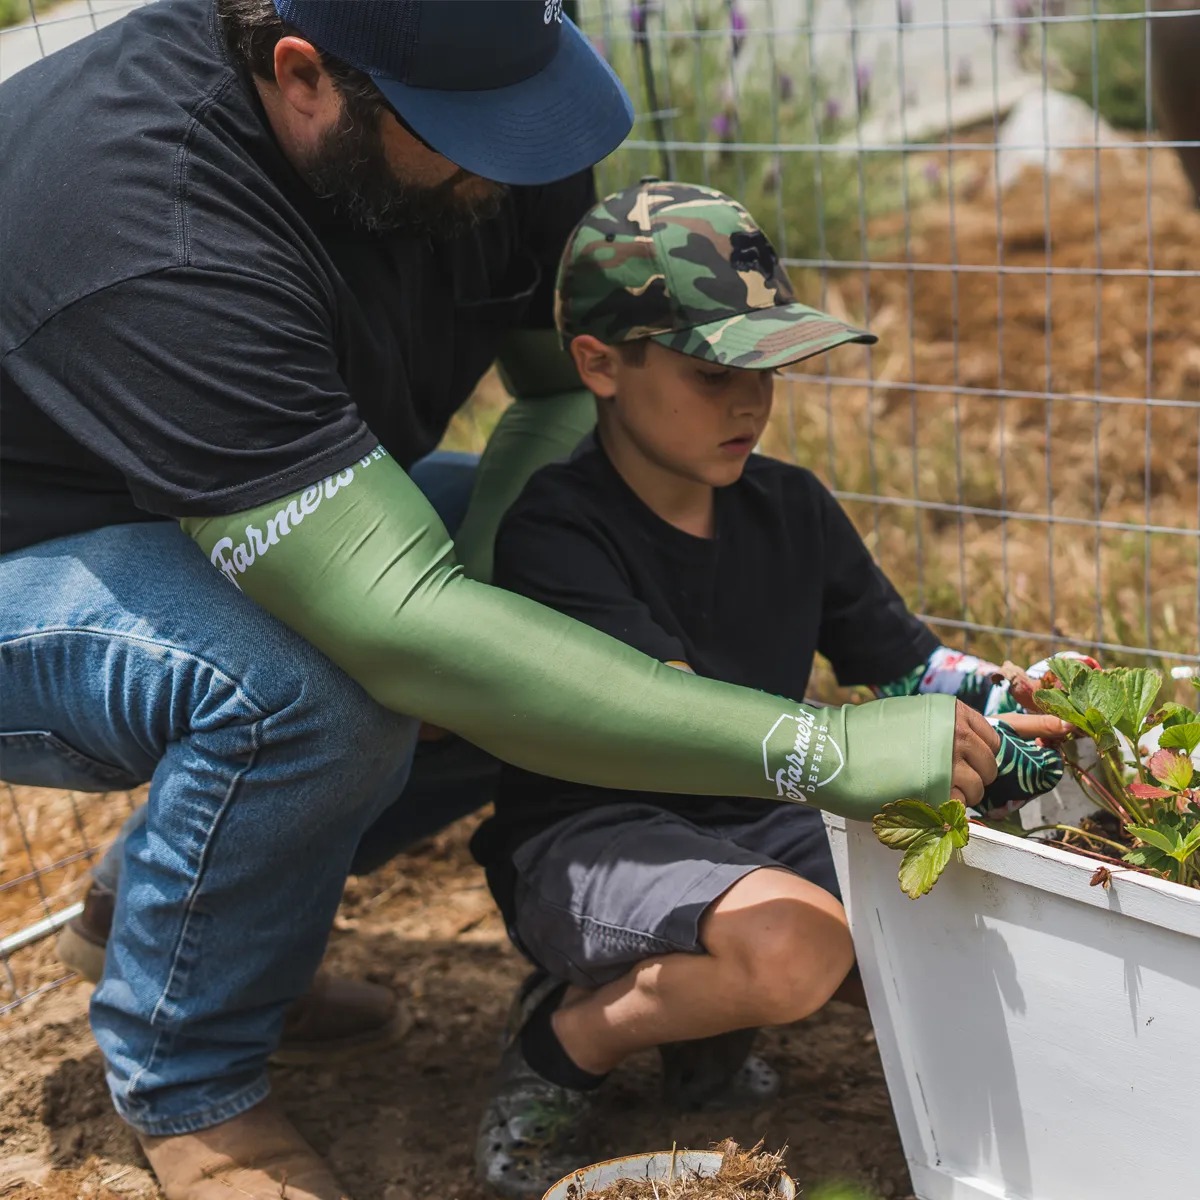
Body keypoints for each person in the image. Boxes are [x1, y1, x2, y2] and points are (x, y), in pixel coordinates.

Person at [0, 1, 1002, 1187]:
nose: (520, 167)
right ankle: (191, 1086)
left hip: (230, 474)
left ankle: (188, 909)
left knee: (555, 606)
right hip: (44, 537)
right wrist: (814, 747)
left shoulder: (491, 92)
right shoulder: (152, 212)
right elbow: (403, 627)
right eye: (474, 136)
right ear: (304, 76)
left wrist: (522, 592)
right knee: (320, 690)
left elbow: (556, 397)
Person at [469, 180, 1072, 1196]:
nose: (751, 400)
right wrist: (871, 745)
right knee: (798, 947)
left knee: (960, 906)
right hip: (595, 836)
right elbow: (665, 719)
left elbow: (904, 661)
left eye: (769, 367)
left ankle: (705, 1034)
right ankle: (563, 1042)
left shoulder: (789, 506)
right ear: (598, 364)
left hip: (753, 821)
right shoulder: (557, 530)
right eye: (714, 371)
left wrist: (1014, 702)